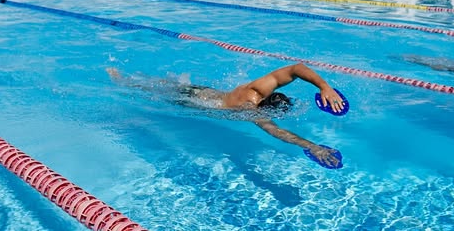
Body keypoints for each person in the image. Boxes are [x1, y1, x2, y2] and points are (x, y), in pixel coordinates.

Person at [107, 63, 346, 167]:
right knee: (153, 91)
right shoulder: (249, 110)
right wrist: (311, 146)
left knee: (162, 84)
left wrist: (325, 87)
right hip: (190, 102)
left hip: (202, 91)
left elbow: (296, 69)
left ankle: (126, 78)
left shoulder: (256, 90)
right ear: (267, 109)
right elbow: (278, 132)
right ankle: (121, 80)